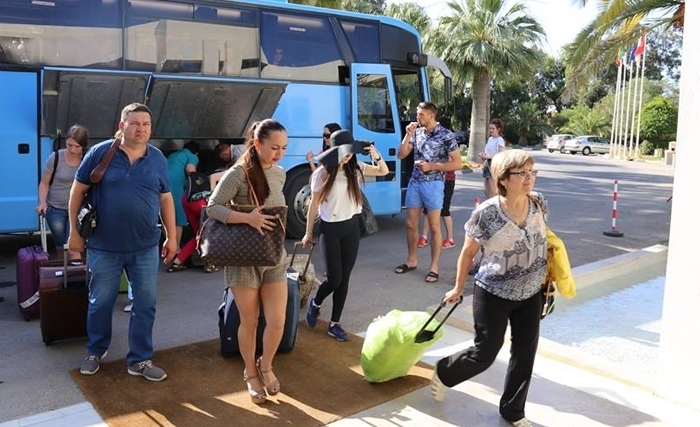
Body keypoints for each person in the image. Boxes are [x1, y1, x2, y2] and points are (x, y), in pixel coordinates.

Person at [430, 149, 547, 427]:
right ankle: (445, 371)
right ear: (503, 179)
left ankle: (513, 412)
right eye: (522, 173)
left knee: (525, 354)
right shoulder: (487, 213)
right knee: (485, 352)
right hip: (494, 292)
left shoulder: (539, 202)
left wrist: (550, 281)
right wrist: (458, 287)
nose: (529, 177)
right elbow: (468, 253)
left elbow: (545, 241)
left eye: (531, 172)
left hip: (532, 292)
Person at [68, 102, 177, 382]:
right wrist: (75, 233)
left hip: (144, 247)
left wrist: (172, 236)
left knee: (145, 304)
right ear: (122, 126)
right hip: (104, 246)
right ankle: (95, 351)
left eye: (146, 124)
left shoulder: (157, 158)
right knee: (100, 303)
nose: (141, 129)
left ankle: (140, 360)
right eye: (135, 123)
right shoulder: (100, 152)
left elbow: (165, 198)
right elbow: (77, 191)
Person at [206, 119, 289, 405]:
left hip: (274, 255)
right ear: (257, 143)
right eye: (274, 147)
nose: (279, 153)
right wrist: (247, 218)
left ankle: (266, 366)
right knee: (250, 321)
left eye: (284, 148)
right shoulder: (238, 173)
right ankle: (251, 374)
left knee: (277, 321)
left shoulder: (280, 173)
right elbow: (212, 207)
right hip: (243, 258)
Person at [302, 129, 389, 341]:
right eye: (344, 151)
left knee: (344, 279)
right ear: (334, 152)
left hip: (351, 227)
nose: (349, 155)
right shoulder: (322, 174)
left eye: (351, 151)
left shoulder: (356, 168)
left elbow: (383, 171)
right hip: (330, 229)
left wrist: (375, 154)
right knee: (334, 279)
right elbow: (313, 205)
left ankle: (335, 323)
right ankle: (316, 303)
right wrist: (308, 233)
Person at [394, 102, 461, 283]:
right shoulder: (417, 132)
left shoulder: (446, 135)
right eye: (417, 114)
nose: (417, 118)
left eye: (421, 114)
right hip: (415, 182)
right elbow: (401, 155)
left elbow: (457, 163)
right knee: (410, 223)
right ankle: (411, 260)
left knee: (434, 226)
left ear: (431, 115)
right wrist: (407, 135)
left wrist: (431, 166)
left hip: (434, 184)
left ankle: (434, 267)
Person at [36, 124, 89, 260]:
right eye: (69, 145)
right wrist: (42, 202)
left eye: (77, 146)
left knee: (73, 248)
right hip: (56, 209)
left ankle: (77, 273)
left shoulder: (87, 159)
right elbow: (44, 183)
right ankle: (64, 273)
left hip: (77, 209)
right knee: (61, 249)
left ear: (83, 146)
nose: (72, 149)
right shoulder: (55, 158)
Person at [417, 116, 457, 250]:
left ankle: (450, 238)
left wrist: (436, 163)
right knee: (428, 209)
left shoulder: (448, 139)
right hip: (434, 179)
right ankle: (424, 236)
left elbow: (454, 161)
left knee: (444, 210)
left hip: (447, 180)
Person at [166, 140, 200, 272]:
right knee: (179, 217)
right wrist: (198, 183)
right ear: (196, 152)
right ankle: (176, 248)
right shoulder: (192, 156)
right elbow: (190, 170)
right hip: (175, 185)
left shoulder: (174, 154)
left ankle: (169, 242)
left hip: (162, 183)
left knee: (166, 215)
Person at [480, 118, 507, 198]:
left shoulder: (500, 140)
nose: (491, 130)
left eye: (493, 128)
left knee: (493, 191)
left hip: (494, 165)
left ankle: (498, 204)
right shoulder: (490, 139)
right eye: (490, 128)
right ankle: (491, 204)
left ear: (498, 129)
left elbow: (501, 154)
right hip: (487, 165)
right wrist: (483, 156)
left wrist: (488, 157)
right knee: (486, 191)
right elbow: (487, 152)